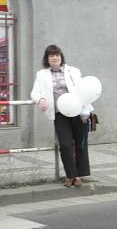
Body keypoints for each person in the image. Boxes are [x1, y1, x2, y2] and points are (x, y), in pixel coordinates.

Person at [30, 44, 93, 187]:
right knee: (65, 145)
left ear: (61, 57)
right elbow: (35, 92)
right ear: (47, 59)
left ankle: (78, 175)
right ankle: (71, 175)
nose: (54, 57)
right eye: (51, 55)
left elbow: (84, 91)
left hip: (78, 112)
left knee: (81, 144)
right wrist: (41, 99)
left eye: (57, 55)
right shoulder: (42, 74)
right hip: (59, 113)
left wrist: (85, 111)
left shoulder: (73, 71)